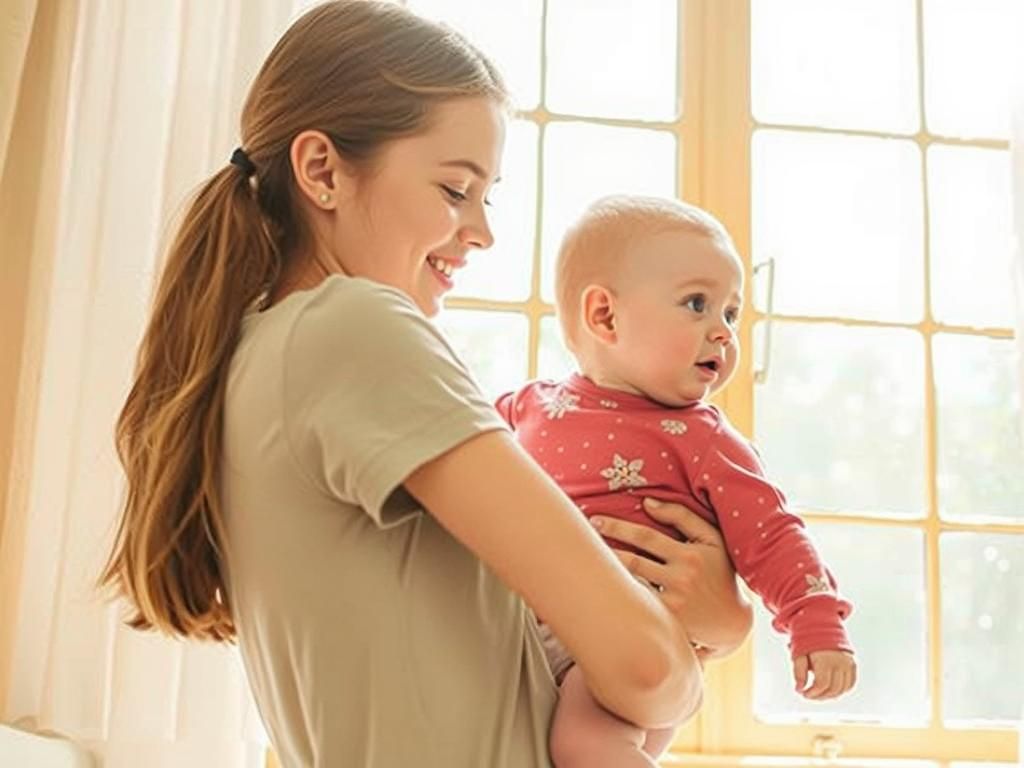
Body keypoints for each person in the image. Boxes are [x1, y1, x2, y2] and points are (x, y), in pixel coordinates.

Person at [99, 3, 753, 767]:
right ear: (322, 171)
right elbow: (645, 668)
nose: (482, 231)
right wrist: (704, 643)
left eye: (487, 195)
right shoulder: (354, 327)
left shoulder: (260, 347)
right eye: (453, 189)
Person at [496, 195, 858, 767]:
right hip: (521, 634)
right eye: (698, 304)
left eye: (731, 314)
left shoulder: (705, 440)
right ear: (604, 317)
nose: (723, 332)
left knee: (585, 744)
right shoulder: (530, 404)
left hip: (626, 648)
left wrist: (816, 625)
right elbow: (458, 451)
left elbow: (772, 535)